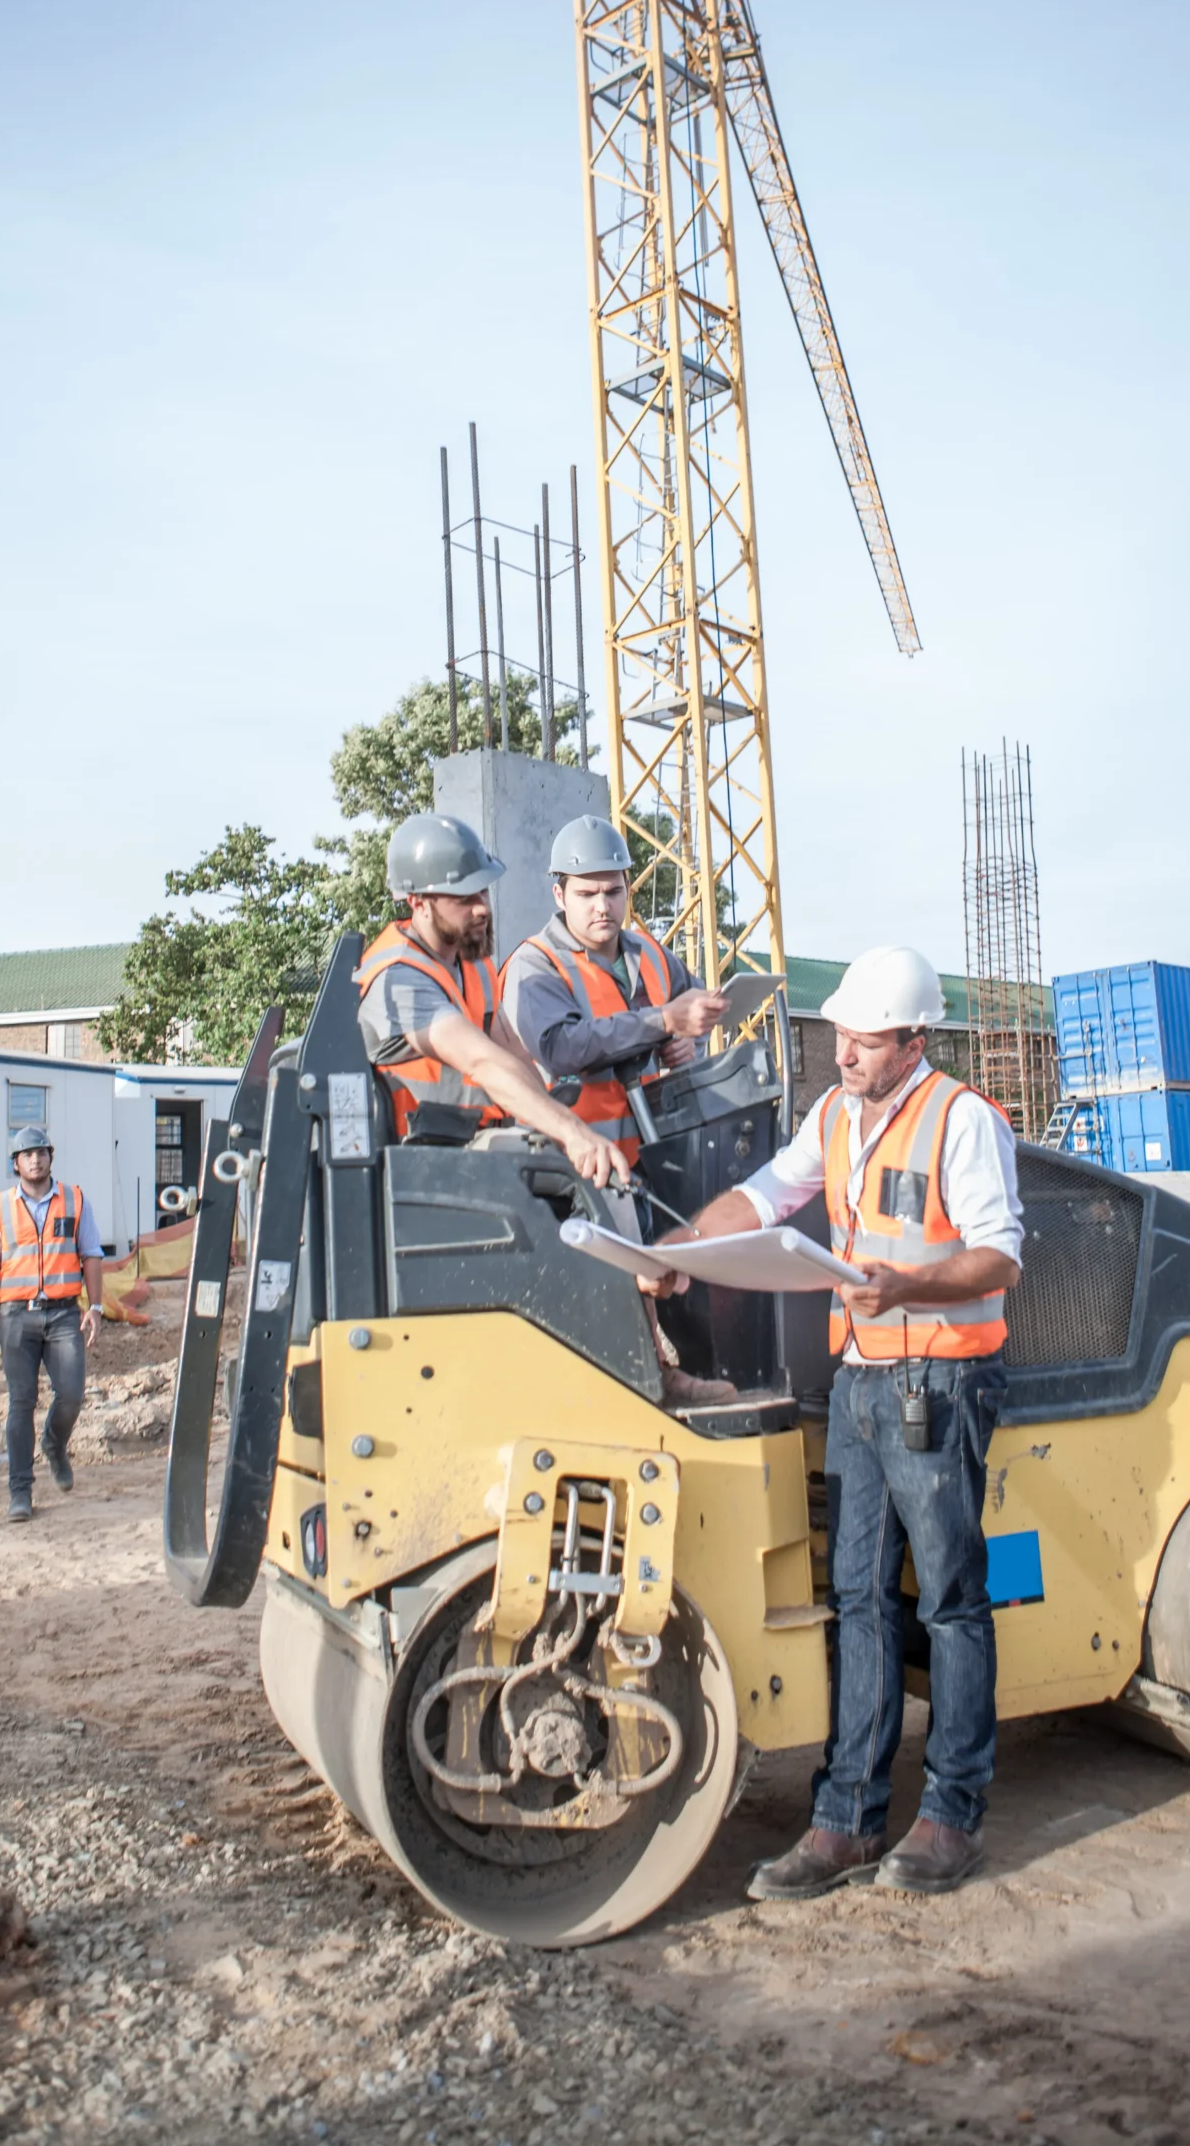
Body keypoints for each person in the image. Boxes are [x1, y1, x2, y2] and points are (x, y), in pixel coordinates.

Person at [643, 945, 1022, 1895]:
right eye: (843, 1036)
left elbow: (999, 1257)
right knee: (854, 1597)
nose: (844, 1052)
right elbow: (767, 1195)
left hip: (937, 1386)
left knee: (948, 1600)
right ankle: (845, 1819)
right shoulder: (836, 1115)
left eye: (864, 1041)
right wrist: (676, 1248)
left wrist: (909, 1285)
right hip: (862, 1385)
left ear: (913, 1041)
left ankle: (950, 1815)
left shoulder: (961, 1121)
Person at [504, 812, 734, 1405]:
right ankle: (644, 1387)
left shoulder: (650, 954)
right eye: (587, 894)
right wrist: (662, 1021)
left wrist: (689, 1035)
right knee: (610, 1286)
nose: (602, 906)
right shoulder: (535, 965)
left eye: (613, 891)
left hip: (654, 1152)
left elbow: (693, 999)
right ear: (559, 894)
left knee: (676, 1272)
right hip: (575, 1160)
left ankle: (672, 1376)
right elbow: (562, 1045)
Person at [355, 812, 631, 1193]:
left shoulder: (473, 961)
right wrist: (573, 1133)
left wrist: (554, 1125)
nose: (482, 907)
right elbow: (480, 1061)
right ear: (419, 903)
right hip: (411, 1176)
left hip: (467, 1157)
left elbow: (510, 1052)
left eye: (483, 891)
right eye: (464, 898)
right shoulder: (398, 977)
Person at [0, 1124, 103, 1524]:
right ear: (16, 1163)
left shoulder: (75, 1200)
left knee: (72, 1395)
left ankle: (54, 1443)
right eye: (27, 1154)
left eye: (41, 1152)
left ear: (50, 1156)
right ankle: (20, 1492)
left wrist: (95, 1307)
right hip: (16, 1317)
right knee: (21, 1403)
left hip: (64, 1314)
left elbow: (91, 1255)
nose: (35, 1159)